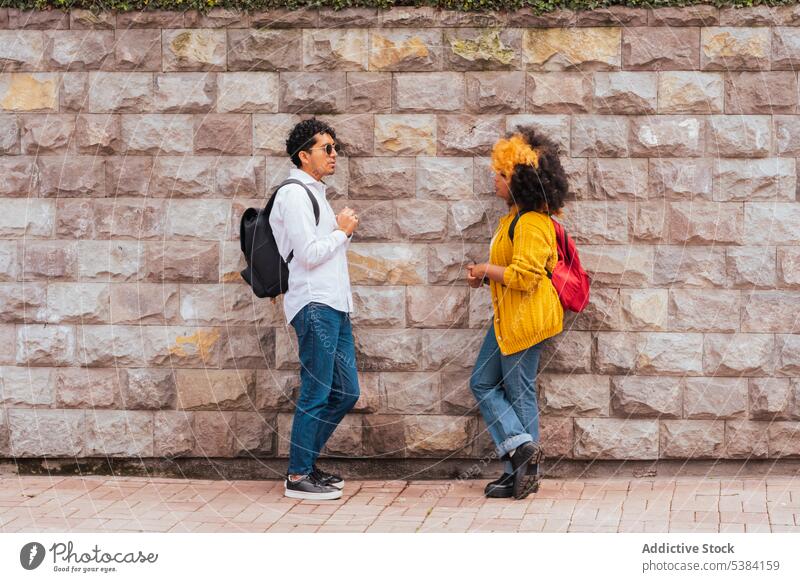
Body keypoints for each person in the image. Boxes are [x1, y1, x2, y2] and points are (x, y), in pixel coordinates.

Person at [467, 127, 567, 500]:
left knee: (519, 392)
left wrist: (483, 270)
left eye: (501, 174)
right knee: (482, 382)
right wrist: (485, 275)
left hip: (525, 319)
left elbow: (524, 278)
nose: (494, 179)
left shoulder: (531, 222)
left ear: (520, 181)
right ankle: (520, 457)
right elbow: (508, 269)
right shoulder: (512, 219)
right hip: (507, 319)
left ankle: (522, 471)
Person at [270, 118, 360, 500]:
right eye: (327, 148)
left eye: (334, 146)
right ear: (304, 155)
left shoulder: (317, 194)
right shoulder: (294, 194)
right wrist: (342, 231)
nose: (334, 153)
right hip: (313, 305)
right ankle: (298, 476)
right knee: (318, 390)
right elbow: (307, 255)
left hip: (334, 306)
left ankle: (305, 464)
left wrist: (339, 232)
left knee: (346, 391)